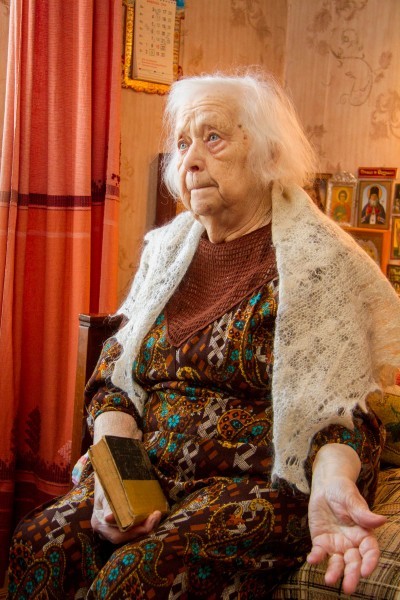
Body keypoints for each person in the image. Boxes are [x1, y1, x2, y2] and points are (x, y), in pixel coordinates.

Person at [7, 71, 400, 599]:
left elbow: (345, 414)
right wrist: (115, 476)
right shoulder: (166, 252)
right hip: (151, 469)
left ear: (268, 153)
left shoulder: (318, 264)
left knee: (137, 578)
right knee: (40, 540)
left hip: (258, 487)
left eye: (213, 138)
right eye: (182, 143)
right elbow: (115, 381)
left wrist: (334, 479)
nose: (189, 160)